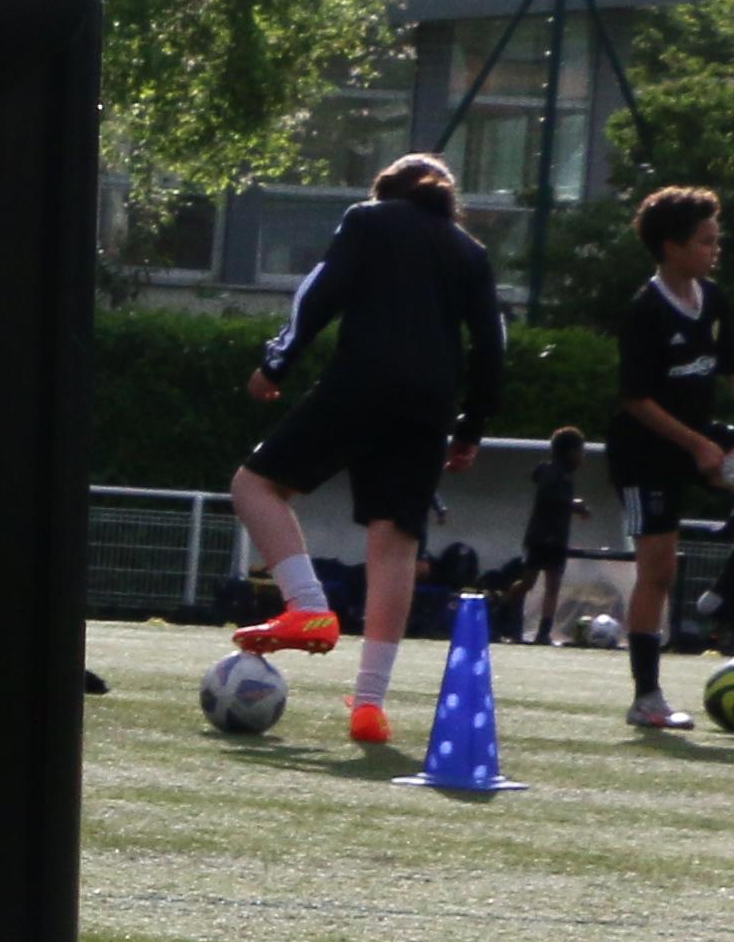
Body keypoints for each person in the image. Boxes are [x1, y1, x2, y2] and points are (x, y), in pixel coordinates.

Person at [224, 152, 506, 750]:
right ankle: (369, 707)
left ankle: (307, 605)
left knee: (255, 485)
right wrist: (471, 427)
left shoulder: (368, 220)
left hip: (363, 379)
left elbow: (319, 292)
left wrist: (277, 361)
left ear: (385, 192)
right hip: (429, 403)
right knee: (394, 541)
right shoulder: (470, 253)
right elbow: (491, 345)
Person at [601, 186, 734, 724]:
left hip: (703, 438)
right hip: (647, 454)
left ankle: (729, 593)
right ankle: (647, 698)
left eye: (716, 240)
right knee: (659, 571)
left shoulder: (711, 299)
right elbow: (635, 400)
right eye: (705, 241)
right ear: (672, 247)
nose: (715, 250)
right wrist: (697, 446)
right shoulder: (645, 310)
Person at [501, 425, 586, 642]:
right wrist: (574, 505)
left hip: (557, 538)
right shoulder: (549, 472)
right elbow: (549, 498)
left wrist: (573, 506)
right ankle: (502, 614)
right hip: (540, 537)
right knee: (528, 583)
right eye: (579, 450)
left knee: (553, 586)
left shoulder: (567, 476)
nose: (581, 456)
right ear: (568, 451)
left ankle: (543, 633)